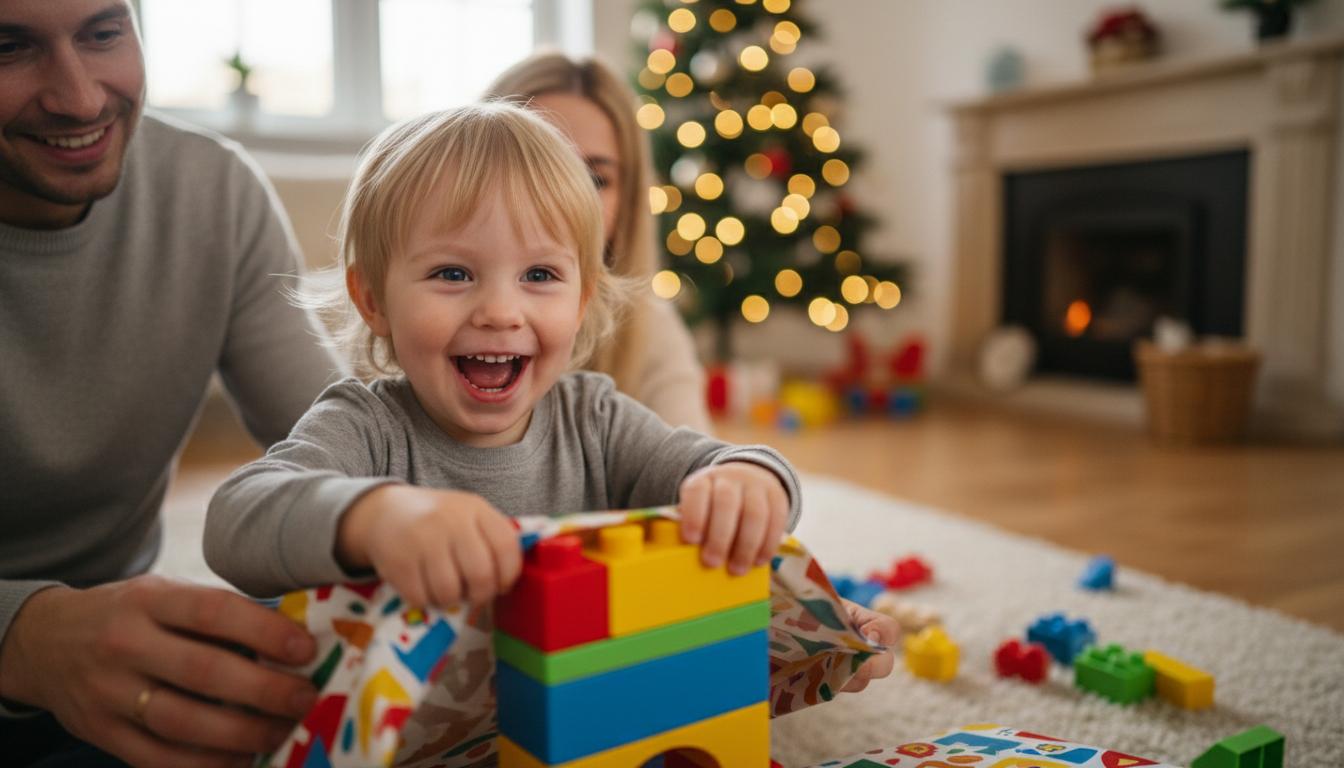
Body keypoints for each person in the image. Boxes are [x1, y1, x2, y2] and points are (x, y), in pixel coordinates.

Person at [204, 102, 798, 612]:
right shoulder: (366, 428)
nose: (499, 311)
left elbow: (724, 464)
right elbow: (234, 521)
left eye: (539, 274)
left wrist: (748, 480)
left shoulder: (596, 420)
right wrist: (376, 517)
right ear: (374, 301)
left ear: (582, 299)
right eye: (453, 273)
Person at [0, 1, 346, 765]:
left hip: (124, 659)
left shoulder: (212, 193)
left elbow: (340, 439)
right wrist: (23, 636)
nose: (81, 98)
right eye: (8, 47)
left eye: (102, 33)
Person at [485, 53, 712, 433]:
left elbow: (699, 461)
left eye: (595, 180)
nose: (563, 205)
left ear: (627, 201)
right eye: (537, 172)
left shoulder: (649, 327)